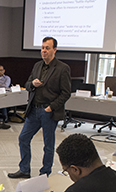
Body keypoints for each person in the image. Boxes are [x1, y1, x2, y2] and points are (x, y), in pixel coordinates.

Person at [9, 37, 71, 179]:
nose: (44, 50)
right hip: (34, 110)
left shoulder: (62, 68)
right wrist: (33, 84)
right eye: (42, 47)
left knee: (48, 145)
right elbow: (28, 83)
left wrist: (51, 107)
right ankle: (24, 169)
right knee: (23, 138)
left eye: (47, 48)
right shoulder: (37, 65)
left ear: (54, 50)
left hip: (48, 111)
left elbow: (66, 93)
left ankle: (45, 173)